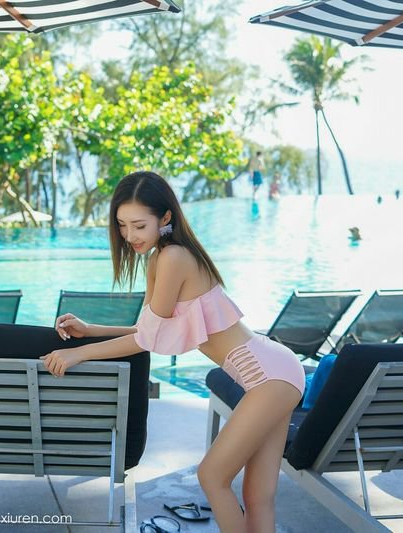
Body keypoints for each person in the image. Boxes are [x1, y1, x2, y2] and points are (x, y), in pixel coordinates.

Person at [42, 171, 304, 532]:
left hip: (268, 378)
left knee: (212, 476)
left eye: (139, 225)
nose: (130, 236)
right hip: (276, 371)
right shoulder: (161, 258)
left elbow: (146, 340)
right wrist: (91, 330)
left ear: (165, 217)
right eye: (122, 225)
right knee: (257, 495)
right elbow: (149, 332)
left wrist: (79, 353)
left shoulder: (173, 258)